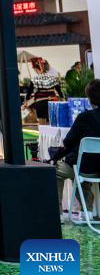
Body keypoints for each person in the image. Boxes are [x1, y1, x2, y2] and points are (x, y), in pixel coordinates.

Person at [51, 79, 100, 218]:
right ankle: (87, 211)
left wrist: (55, 157)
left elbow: (68, 143)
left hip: (86, 167)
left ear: (90, 99)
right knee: (81, 166)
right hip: (95, 167)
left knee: (56, 170)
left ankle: (58, 213)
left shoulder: (85, 117)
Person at [25, 58, 61, 123]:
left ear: (37, 69)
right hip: (53, 101)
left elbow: (29, 92)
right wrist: (62, 98)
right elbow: (59, 90)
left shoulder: (35, 79)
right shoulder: (52, 77)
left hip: (41, 102)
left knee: (42, 123)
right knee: (53, 122)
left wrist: (27, 100)